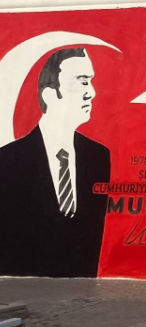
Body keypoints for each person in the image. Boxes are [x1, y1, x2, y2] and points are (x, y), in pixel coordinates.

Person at [0, 47, 110, 278]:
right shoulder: (8, 160)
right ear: (50, 95)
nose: (91, 93)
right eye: (82, 82)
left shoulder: (98, 157)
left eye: (90, 82)